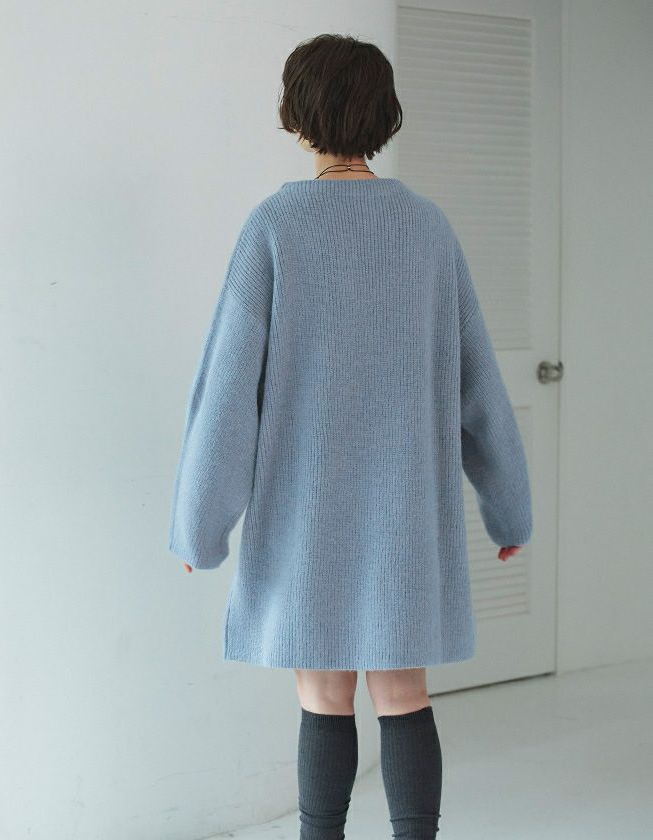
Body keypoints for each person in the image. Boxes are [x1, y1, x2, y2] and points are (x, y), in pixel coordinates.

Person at [168, 32, 532, 840]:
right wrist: (510, 511)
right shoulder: (428, 229)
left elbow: (227, 397)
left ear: (297, 116)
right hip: (406, 521)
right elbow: (479, 385)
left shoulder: (274, 228)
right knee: (404, 694)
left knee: (323, 696)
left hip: (306, 521)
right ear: (384, 115)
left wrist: (200, 525)